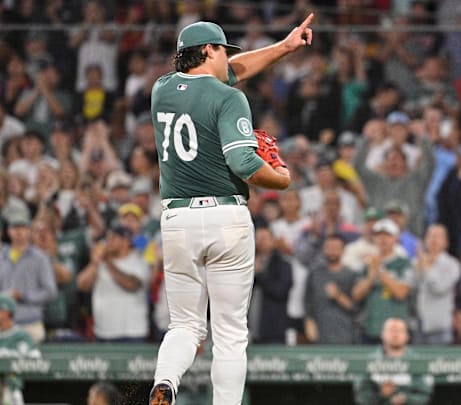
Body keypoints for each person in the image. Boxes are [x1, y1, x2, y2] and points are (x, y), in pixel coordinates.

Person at [149, 15, 313, 404]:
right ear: (209, 50)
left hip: (177, 220)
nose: (230, 59)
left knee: (186, 326)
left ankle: (166, 382)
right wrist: (282, 177)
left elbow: (226, 73)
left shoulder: (161, 90)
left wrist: (283, 47)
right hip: (226, 218)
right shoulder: (229, 98)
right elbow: (244, 164)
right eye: (223, 49)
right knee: (229, 334)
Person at [76, 225, 150, 342]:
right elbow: (82, 285)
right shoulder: (101, 262)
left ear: (126, 241)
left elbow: (131, 285)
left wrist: (109, 263)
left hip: (132, 332)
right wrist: (94, 264)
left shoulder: (138, 261)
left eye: (113, 238)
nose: (108, 242)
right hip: (103, 331)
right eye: (108, 238)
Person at [352, 218, 414, 344]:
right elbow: (356, 295)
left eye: (387, 235)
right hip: (371, 327)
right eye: (379, 235)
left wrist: (379, 271)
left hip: (396, 331)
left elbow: (401, 293)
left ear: (396, 238)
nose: (383, 239)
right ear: (373, 238)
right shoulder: (368, 264)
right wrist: (370, 277)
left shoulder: (403, 263)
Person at [0, 210, 57, 343]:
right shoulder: (2, 256)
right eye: (14, 227)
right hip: (3, 325)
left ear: (29, 231)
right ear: (8, 231)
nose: (18, 231)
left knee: (33, 363)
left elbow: (50, 292)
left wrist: (24, 296)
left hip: (31, 323)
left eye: (22, 227)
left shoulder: (40, 258)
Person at [352, 318, 433, 405]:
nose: (395, 334)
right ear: (382, 334)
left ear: (407, 336)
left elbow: (425, 395)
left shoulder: (417, 361)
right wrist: (381, 395)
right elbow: (361, 397)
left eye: (400, 331)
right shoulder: (369, 361)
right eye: (391, 330)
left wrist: (406, 399)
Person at [304, 234, 358, 344]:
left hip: (345, 334)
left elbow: (356, 308)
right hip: (319, 332)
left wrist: (338, 296)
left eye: (336, 248)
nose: (332, 251)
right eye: (328, 247)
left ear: (343, 250)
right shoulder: (315, 273)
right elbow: (307, 301)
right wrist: (308, 321)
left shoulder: (351, 275)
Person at [414, 224, 461, 344]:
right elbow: (411, 289)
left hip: (440, 327)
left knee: (439, 362)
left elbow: (439, 288)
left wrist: (426, 268)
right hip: (418, 326)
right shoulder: (416, 262)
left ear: (446, 242)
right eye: (430, 236)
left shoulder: (452, 265)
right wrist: (419, 268)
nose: (433, 240)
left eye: (438, 236)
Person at [0, 293, 40, 405]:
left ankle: (13, 396)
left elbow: (33, 355)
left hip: (14, 380)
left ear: (8, 312)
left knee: (11, 375)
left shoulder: (21, 335)